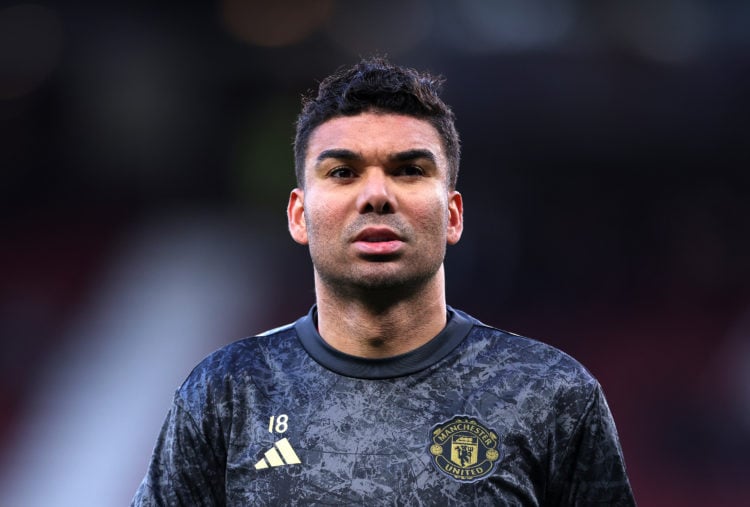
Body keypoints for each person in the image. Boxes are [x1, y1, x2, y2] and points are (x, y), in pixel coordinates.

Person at [132, 57, 635, 506]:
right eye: (343, 172)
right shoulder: (226, 392)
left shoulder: (551, 395)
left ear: (453, 216)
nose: (376, 195)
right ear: (299, 215)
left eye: (409, 170)